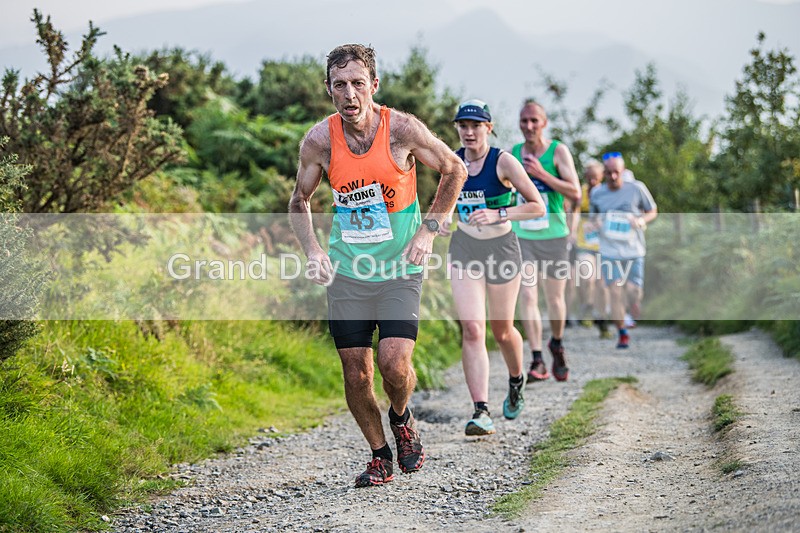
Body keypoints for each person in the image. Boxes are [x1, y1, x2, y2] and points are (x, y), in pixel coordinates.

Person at [288, 44, 467, 487]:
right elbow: (299, 201)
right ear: (328, 88)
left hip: (400, 268)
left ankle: (401, 417)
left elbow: (454, 169)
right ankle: (379, 455)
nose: (349, 95)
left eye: (357, 84)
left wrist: (428, 231)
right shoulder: (319, 141)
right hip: (348, 271)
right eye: (339, 85)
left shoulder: (401, 130)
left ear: (374, 85)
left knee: (393, 363)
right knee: (356, 371)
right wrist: (314, 251)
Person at [445, 99, 545, 436]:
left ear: (488, 128)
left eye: (476, 125)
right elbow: (444, 205)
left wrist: (498, 214)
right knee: (473, 328)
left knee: (502, 331)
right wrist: (441, 220)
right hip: (464, 248)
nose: (469, 132)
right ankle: (481, 411)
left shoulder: (503, 161)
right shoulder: (452, 162)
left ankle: (516, 379)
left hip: (501, 249)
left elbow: (537, 206)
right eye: (463, 125)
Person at [511, 101, 581, 382]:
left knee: (554, 298)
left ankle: (557, 343)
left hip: (554, 234)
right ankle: (537, 358)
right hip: (522, 234)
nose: (529, 126)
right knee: (528, 295)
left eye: (534, 121)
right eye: (524, 121)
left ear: (544, 123)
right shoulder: (514, 153)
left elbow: (575, 192)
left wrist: (542, 174)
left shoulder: (558, 151)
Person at [589, 152, 657, 349]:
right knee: (615, 291)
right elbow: (593, 218)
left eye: (616, 172)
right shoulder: (597, 193)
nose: (612, 177)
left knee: (633, 291)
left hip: (634, 249)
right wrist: (595, 224)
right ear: (603, 173)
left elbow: (652, 211)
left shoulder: (636, 188)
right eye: (608, 173)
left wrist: (641, 220)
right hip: (609, 250)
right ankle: (622, 332)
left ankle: (633, 303)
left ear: (623, 171)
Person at [573, 161, 612, 339]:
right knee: (586, 276)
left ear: (601, 177)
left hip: (605, 245)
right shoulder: (580, 192)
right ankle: (587, 306)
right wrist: (572, 232)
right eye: (589, 178)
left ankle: (602, 320)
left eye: (595, 178)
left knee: (602, 284)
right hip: (584, 244)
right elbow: (574, 213)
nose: (592, 181)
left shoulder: (607, 193)